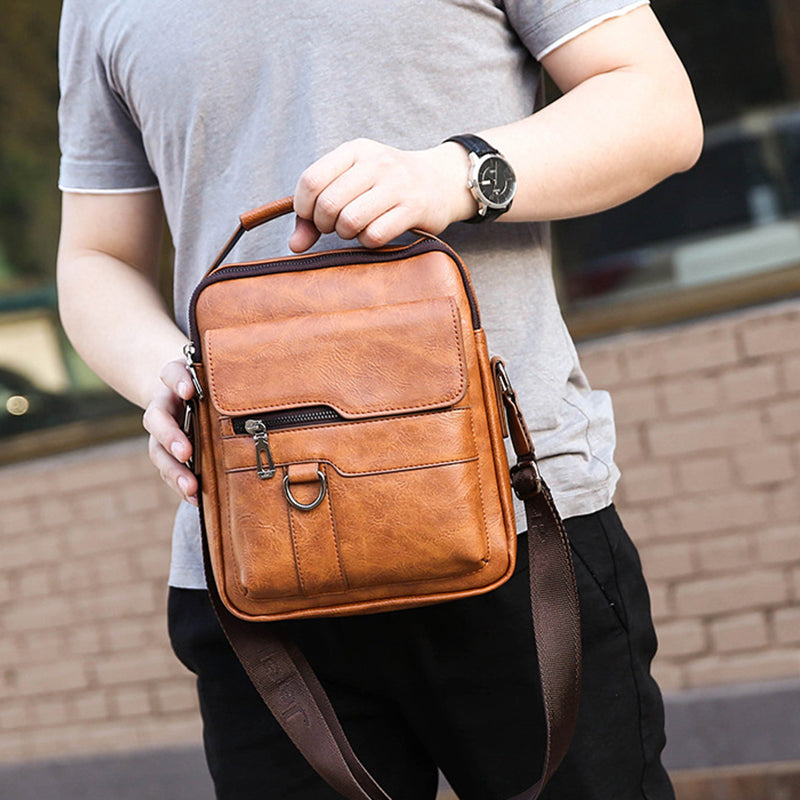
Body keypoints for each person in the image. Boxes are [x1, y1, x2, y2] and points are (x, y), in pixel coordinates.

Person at [56, 1, 703, 798]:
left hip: (514, 527)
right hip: (259, 567)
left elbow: (658, 107)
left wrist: (455, 174)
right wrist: (168, 373)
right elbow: (97, 257)